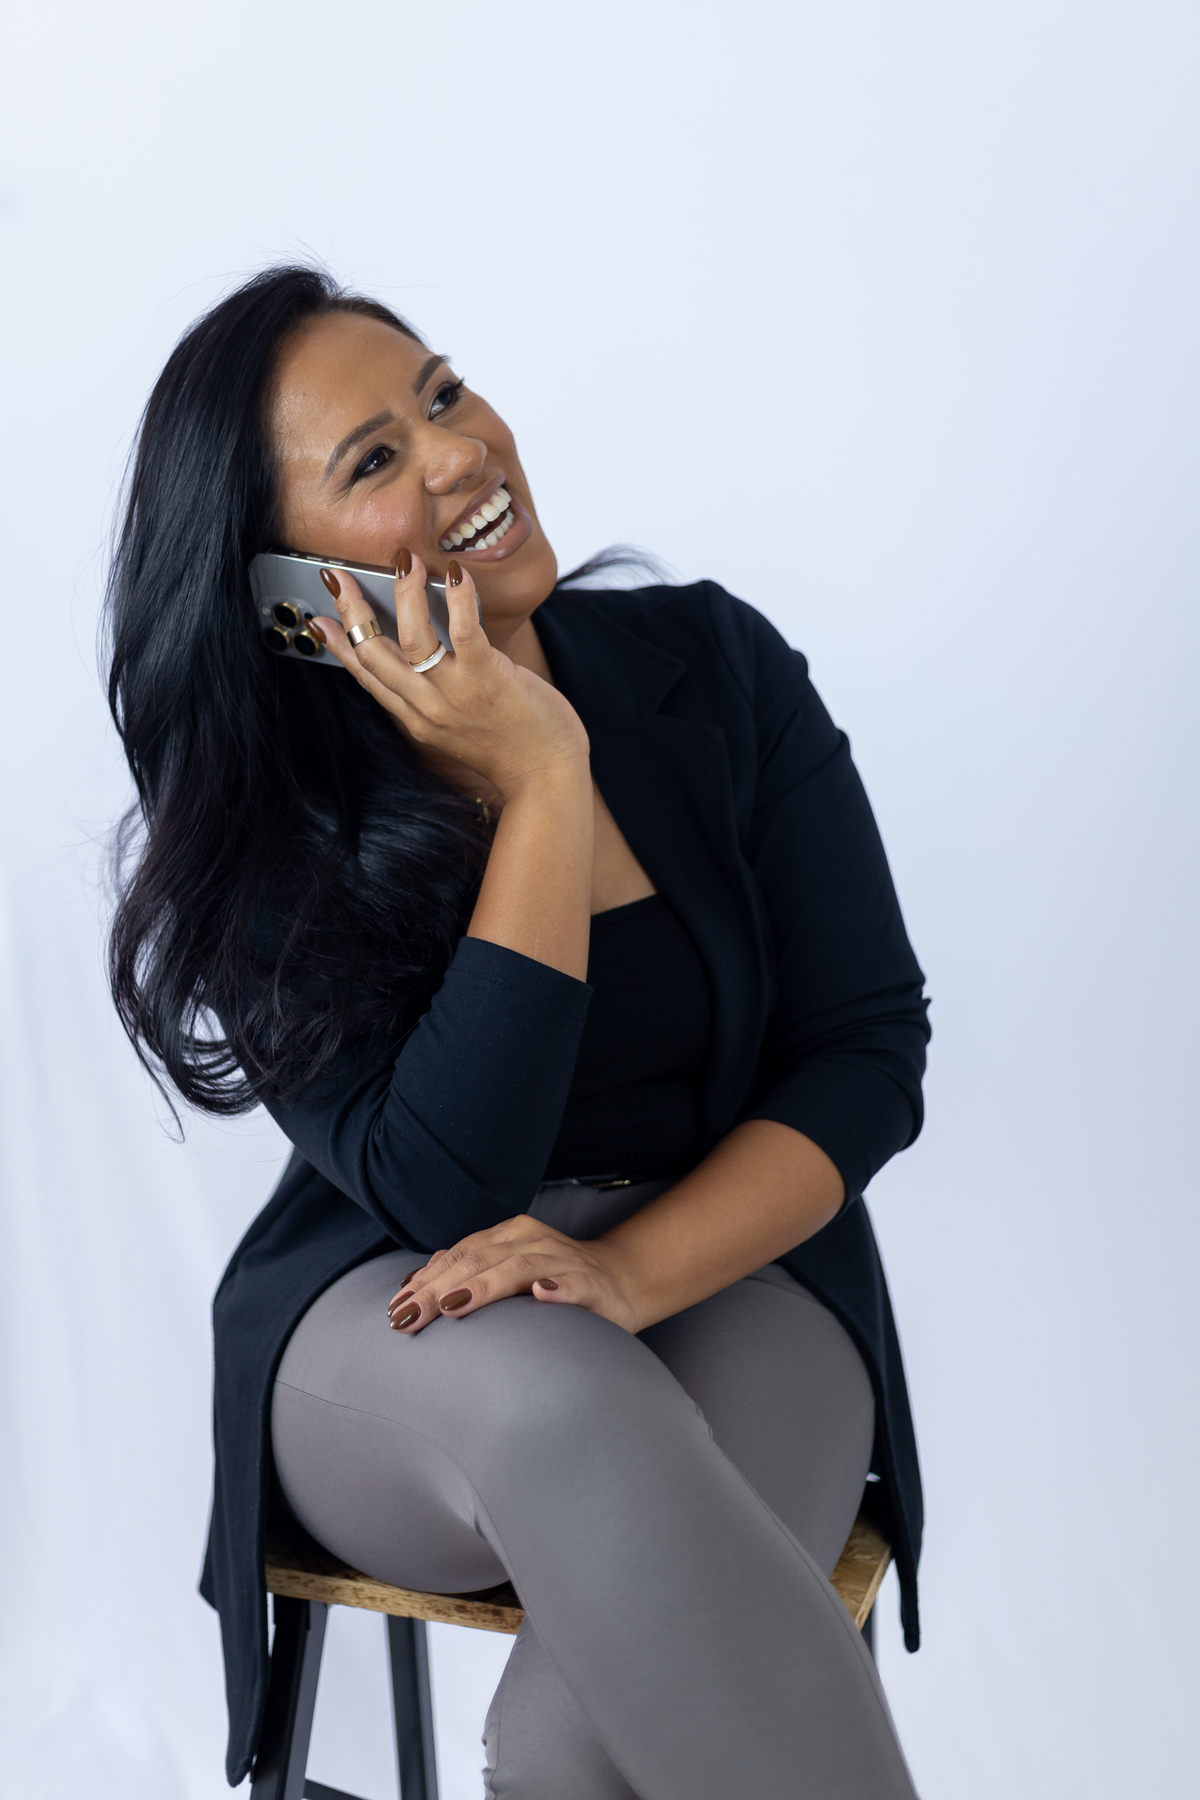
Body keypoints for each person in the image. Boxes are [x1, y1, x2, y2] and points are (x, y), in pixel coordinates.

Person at [105, 265, 930, 1799]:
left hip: (735, 1269)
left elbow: (866, 1049)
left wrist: (630, 1270)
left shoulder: (713, 665)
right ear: (282, 580)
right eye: (376, 459)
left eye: (443, 394)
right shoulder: (273, 806)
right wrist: (544, 780)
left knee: (575, 1750)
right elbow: (445, 1185)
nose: (461, 451)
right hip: (410, 1313)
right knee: (560, 1399)